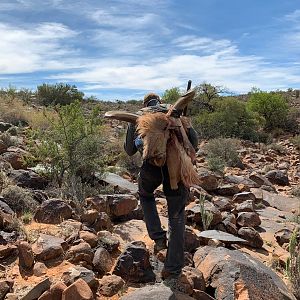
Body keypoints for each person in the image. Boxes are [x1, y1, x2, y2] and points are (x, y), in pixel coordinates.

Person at [124, 92, 198, 283]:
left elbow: (129, 150)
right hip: (178, 164)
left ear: (145, 103)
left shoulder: (140, 115)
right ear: (159, 100)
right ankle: (173, 269)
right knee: (176, 215)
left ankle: (158, 237)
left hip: (151, 165)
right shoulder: (175, 113)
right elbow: (194, 142)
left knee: (145, 194)